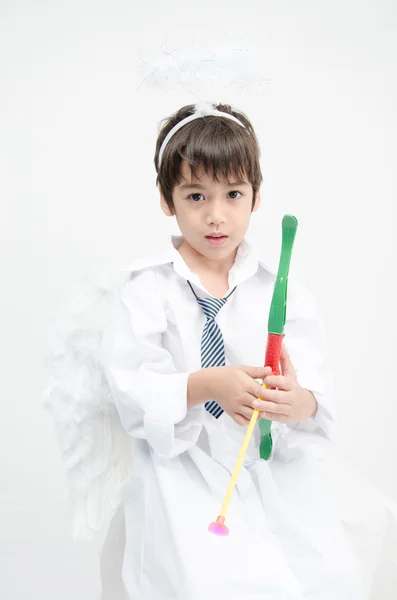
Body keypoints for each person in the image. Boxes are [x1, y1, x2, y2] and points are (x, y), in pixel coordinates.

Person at [97, 101, 365, 599]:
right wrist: (206, 385)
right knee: (209, 580)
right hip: (184, 469)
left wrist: (297, 401)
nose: (215, 215)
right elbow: (132, 388)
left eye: (233, 194)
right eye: (195, 195)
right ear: (166, 199)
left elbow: (314, 394)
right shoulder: (144, 288)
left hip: (270, 470)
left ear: (256, 197)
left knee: (321, 577)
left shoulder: (280, 288)